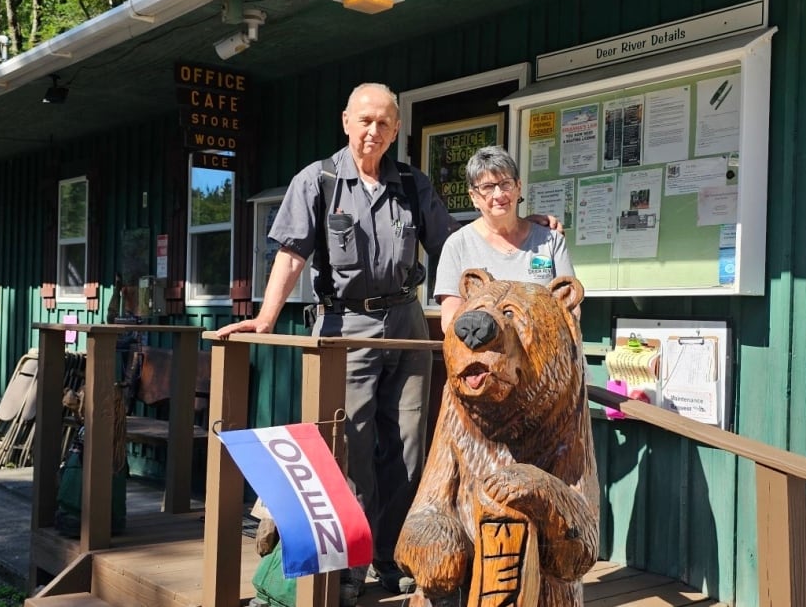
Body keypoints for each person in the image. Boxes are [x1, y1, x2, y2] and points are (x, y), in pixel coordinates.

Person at [217, 85, 558, 606]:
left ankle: (394, 556)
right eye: (365, 121)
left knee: (408, 444)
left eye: (384, 123)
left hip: (405, 323)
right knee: (346, 445)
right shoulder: (319, 180)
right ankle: (349, 565)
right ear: (346, 121)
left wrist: (517, 223)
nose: (373, 131)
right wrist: (264, 317)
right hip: (343, 325)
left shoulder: (410, 183)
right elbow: (290, 257)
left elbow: (456, 241)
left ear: (396, 129)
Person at [434, 145, 576, 333]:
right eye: (487, 187)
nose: (499, 195)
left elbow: (572, 309)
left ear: (518, 187)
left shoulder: (550, 240)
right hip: (484, 353)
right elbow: (450, 321)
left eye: (505, 184)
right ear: (473, 197)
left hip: (541, 354)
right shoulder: (457, 245)